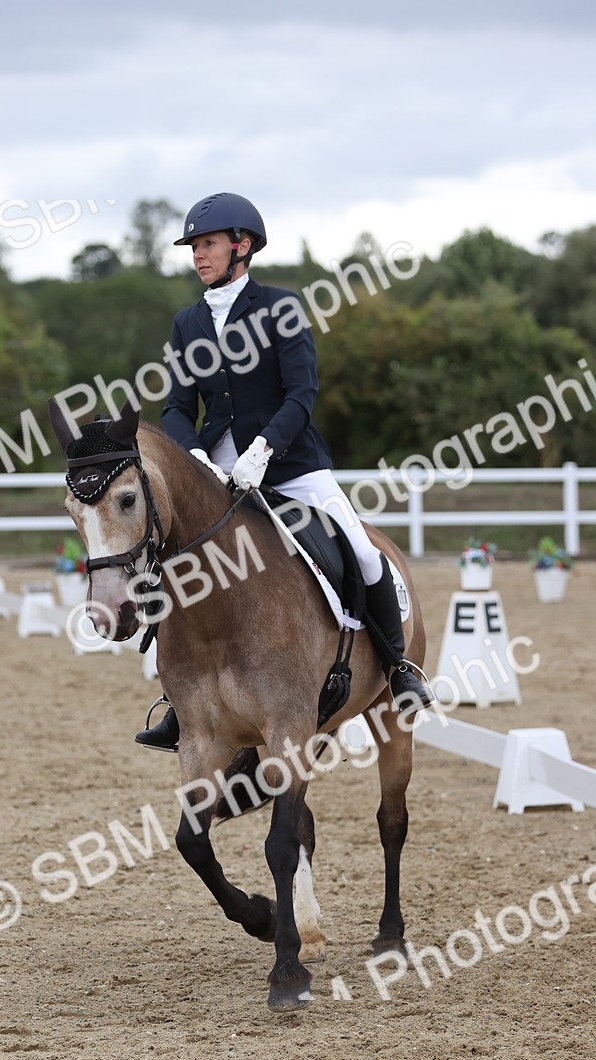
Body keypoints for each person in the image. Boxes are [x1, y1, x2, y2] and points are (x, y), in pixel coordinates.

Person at [135, 192, 432, 751]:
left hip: (290, 463)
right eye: (195, 246)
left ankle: (398, 669)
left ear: (240, 247)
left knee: (364, 552)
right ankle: (179, 702)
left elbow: (302, 392)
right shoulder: (187, 322)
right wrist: (192, 454)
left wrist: (265, 448)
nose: (199, 255)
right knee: (175, 565)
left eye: (209, 244)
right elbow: (177, 405)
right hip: (217, 468)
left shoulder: (280, 308)